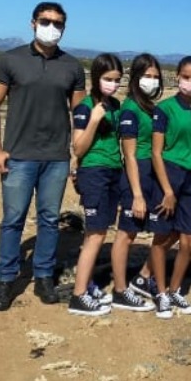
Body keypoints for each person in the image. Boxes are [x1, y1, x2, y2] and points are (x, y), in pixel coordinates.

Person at [0, 1, 86, 311]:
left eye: (58, 24)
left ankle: (43, 276)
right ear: (33, 23)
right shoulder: (10, 60)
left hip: (55, 158)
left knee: (50, 219)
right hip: (17, 156)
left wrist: (78, 158)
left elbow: (78, 114)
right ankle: (5, 281)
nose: (51, 28)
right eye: (46, 21)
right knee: (13, 220)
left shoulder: (72, 66)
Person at [149, 56, 191, 319]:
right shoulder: (164, 109)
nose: (190, 82)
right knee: (163, 237)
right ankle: (161, 292)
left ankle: (175, 289)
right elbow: (156, 152)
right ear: (177, 77)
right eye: (185, 77)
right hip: (170, 173)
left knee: (188, 240)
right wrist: (167, 190)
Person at [67, 53, 125, 316]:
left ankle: (87, 283)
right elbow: (78, 148)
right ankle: (78, 296)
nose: (112, 84)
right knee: (96, 233)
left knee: (102, 230)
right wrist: (93, 119)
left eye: (116, 80)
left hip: (114, 172)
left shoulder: (116, 106)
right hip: (94, 172)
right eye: (107, 79)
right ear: (96, 78)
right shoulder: (85, 107)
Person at [108, 53, 163, 313]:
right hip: (136, 174)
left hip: (153, 173)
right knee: (126, 233)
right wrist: (137, 194)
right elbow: (128, 153)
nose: (151, 81)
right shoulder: (130, 108)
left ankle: (142, 276)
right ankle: (120, 290)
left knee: (166, 229)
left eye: (155, 76)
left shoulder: (150, 108)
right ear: (135, 78)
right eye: (146, 76)